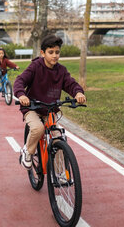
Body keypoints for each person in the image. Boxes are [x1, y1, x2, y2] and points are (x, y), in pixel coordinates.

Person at [13, 35, 86, 169]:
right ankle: (28, 152)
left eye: (57, 52)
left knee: (58, 138)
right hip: (32, 108)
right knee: (38, 128)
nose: (54, 56)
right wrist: (21, 95)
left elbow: (71, 84)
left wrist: (78, 92)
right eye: (50, 52)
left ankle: (59, 173)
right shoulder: (35, 66)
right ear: (43, 53)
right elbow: (20, 81)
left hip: (50, 109)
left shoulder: (61, 71)